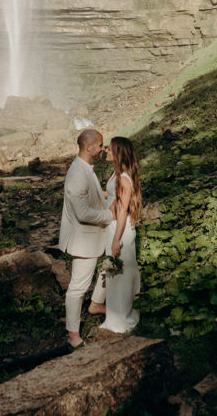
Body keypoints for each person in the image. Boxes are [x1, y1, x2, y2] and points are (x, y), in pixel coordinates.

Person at [58, 128, 114, 348]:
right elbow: (83, 213)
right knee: (78, 287)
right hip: (83, 239)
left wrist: (109, 195)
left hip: (94, 236)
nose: (102, 148)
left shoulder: (85, 167)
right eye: (100, 145)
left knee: (107, 267)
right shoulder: (77, 175)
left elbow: (92, 195)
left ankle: (96, 305)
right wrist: (111, 215)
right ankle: (73, 334)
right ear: (88, 147)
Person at [99, 136, 142, 333]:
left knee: (120, 274)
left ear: (118, 152)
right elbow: (113, 198)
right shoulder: (117, 175)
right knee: (115, 274)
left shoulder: (124, 178)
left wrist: (116, 240)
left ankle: (120, 318)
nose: (106, 150)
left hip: (120, 230)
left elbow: (123, 210)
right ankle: (117, 313)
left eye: (110, 148)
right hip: (114, 227)